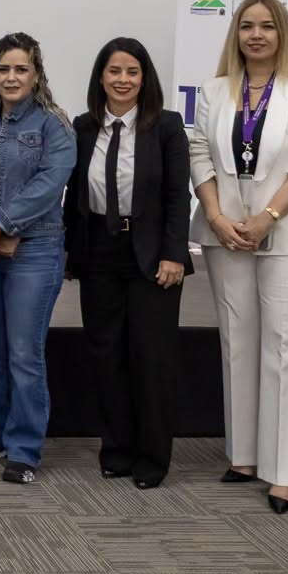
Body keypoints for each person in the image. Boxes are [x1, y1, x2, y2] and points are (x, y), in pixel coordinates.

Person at [187, 0, 288, 514]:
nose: (256, 35)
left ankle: (286, 473)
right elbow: (199, 153)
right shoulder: (214, 91)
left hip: (287, 232)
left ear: (282, 33)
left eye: (267, 26)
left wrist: (268, 216)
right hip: (225, 230)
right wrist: (217, 216)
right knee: (238, 341)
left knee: (286, 345)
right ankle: (244, 455)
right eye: (247, 26)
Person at [64, 38, 191, 489]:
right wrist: (70, 252)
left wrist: (174, 253)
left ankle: (152, 457)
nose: (123, 80)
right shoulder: (83, 127)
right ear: (100, 77)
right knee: (107, 355)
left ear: (145, 78)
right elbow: (74, 195)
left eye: (132, 72)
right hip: (99, 252)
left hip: (153, 256)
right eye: (114, 71)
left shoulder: (167, 126)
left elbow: (178, 196)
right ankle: (116, 449)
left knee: (151, 358)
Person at [0, 32, 77, 484]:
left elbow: (49, 184)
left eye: (21, 69)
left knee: (24, 353)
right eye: (3, 68)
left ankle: (24, 448)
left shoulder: (54, 125)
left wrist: (0, 224)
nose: (11, 77)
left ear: (36, 74)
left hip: (35, 251)